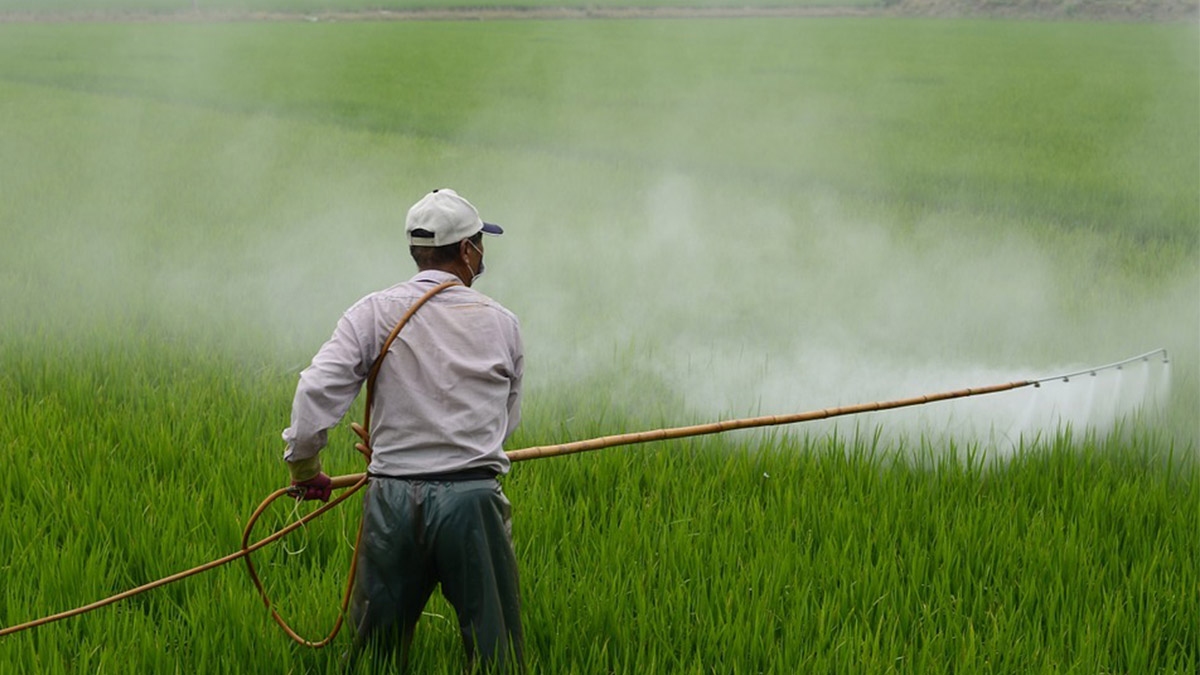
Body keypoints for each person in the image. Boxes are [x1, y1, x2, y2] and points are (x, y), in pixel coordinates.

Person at [281, 188, 524, 672]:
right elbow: (504, 421)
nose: (482, 253)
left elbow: (315, 392)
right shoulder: (502, 323)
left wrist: (306, 469)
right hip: (472, 500)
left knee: (377, 656)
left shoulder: (372, 311)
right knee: (497, 653)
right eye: (480, 242)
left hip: (393, 500)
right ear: (465, 250)